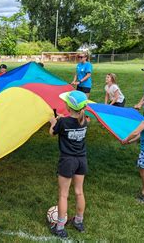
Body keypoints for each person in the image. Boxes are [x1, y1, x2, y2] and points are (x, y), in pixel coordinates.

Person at [49, 91, 90, 238]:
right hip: (81, 160)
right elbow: (72, 123)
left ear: (68, 105)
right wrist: (61, 120)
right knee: (79, 191)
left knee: (63, 194)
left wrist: (54, 122)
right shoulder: (84, 120)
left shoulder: (62, 122)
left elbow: (52, 133)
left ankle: (60, 227)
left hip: (67, 161)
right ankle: (79, 221)